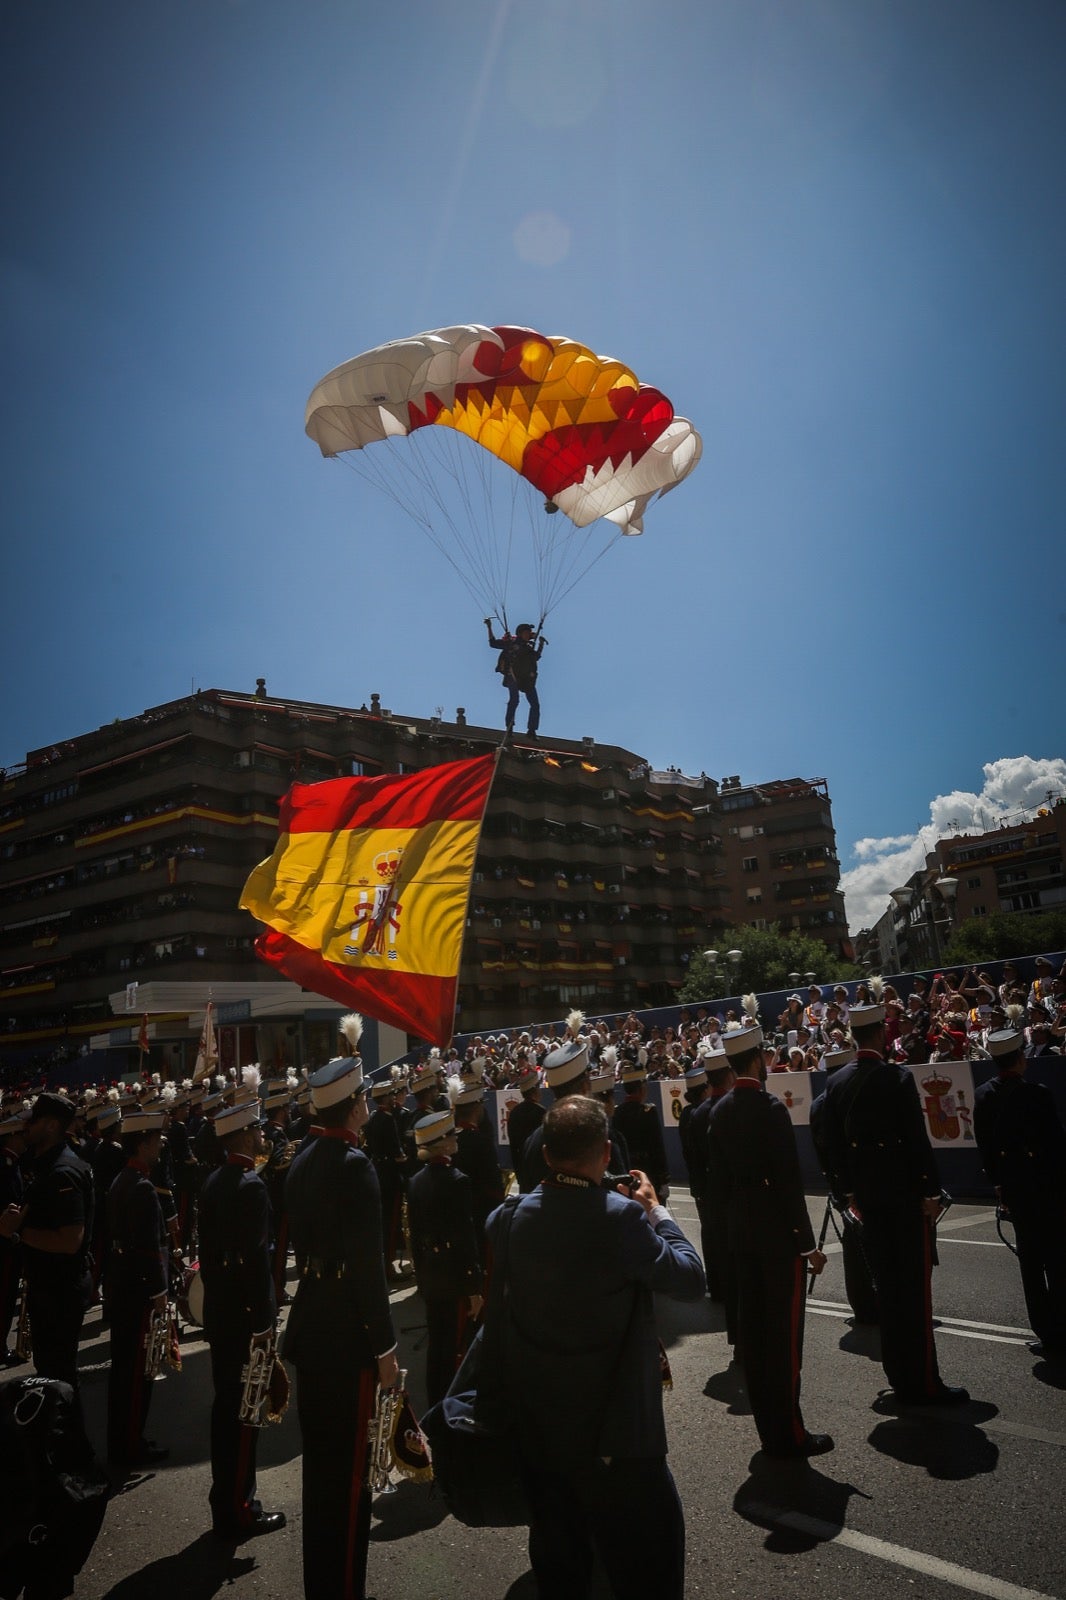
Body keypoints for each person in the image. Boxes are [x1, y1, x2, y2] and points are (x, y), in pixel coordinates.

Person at [487, 1096, 705, 1600]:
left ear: (544, 1155)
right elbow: (690, 1277)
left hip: (542, 1424)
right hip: (617, 1430)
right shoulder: (622, 1218)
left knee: (561, 1563)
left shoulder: (507, 1218)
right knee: (650, 1561)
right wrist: (655, 1210)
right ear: (607, 1153)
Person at [282, 1015, 399, 1600]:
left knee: (321, 1472)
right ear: (351, 1107)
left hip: (311, 1324)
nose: (370, 1105)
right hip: (349, 1332)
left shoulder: (303, 1157)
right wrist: (384, 1347)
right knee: (351, 1477)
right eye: (365, 1098)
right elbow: (367, 1267)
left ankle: (322, 1586)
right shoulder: (355, 1166)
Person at [819, 997, 968, 1407]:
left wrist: (849, 1193)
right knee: (914, 1294)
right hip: (903, 1198)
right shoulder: (896, 1078)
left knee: (886, 1290)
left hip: (867, 1201)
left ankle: (900, 1380)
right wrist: (931, 1192)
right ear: (882, 1034)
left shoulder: (835, 1083)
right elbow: (916, 1141)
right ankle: (925, 1383)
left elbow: (834, 1149)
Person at [707, 1023, 832, 1459]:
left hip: (740, 1234)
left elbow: (717, 1184)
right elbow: (787, 1184)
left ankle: (768, 1430)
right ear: (759, 1058)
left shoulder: (718, 1112)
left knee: (757, 1339)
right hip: (777, 1238)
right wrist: (806, 1243)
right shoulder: (770, 1109)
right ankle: (790, 1435)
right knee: (783, 1341)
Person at [198, 1098, 285, 1539]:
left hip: (221, 1312)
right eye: (257, 1128)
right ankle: (240, 1507)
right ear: (242, 1134)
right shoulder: (250, 1185)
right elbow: (256, 1261)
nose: (262, 1134)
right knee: (243, 1413)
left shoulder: (214, 1181)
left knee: (226, 1410)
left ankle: (225, 1500)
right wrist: (264, 1324)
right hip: (245, 1318)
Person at [973, 1028, 1066, 1359]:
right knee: (1056, 1260)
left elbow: (985, 1148)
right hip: (1049, 1190)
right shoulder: (1037, 1094)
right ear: (1020, 1059)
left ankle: (1045, 1331)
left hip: (1016, 1191)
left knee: (1030, 1264)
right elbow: (1057, 1146)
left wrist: (1000, 1185)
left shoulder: (984, 1095)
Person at [0, 1092, 94, 1399]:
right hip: (50, 1284)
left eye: (34, 1121)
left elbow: (69, 1240)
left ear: (52, 1126)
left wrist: (17, 1233)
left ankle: (71, 1444)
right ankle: (65, 1441)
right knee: (51, 1373)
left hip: (61, 1287)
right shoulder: (47, 1164)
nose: (27, 1127)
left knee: (58, 1377)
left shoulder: (62, 1171)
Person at [105, 1105, 171, 1471]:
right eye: (155, 1138)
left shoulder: (123, 1180)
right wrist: (160, 1293)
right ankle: (129, 1446)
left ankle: (125, 1440)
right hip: (139, 1291)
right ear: (143, 1144)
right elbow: (149, 1248)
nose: (160, 1143)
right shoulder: (141, 1187)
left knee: (124, 1373)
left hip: (123, 1285)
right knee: (135, 1377)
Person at [406, 1109, 484, 1407]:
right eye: (452, 1135)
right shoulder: (458, 1180)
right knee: (455, 1345)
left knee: (437, 1344)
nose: (456, 1138)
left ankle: (434, 1403)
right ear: (443, 1144)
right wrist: (474, 1285)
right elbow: (466, 1236)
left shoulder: (415, 1181)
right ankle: (451, 1407)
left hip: (430, 1271)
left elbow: (413, 1234)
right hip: (453, 1273)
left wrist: (420, 1274)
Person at [485, 618, 546, 739]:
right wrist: (489, 627)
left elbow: (536, 657)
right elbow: (493, 643)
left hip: (526, 679)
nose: (529, 634)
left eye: (529, 633)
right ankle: (509, 727)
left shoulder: (528, 647)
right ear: (521, 633)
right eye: (527, 632)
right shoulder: (511, 643)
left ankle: (532, 730)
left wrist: (541, 644)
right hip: (512, 675)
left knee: (535, 704)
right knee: (514, 700)